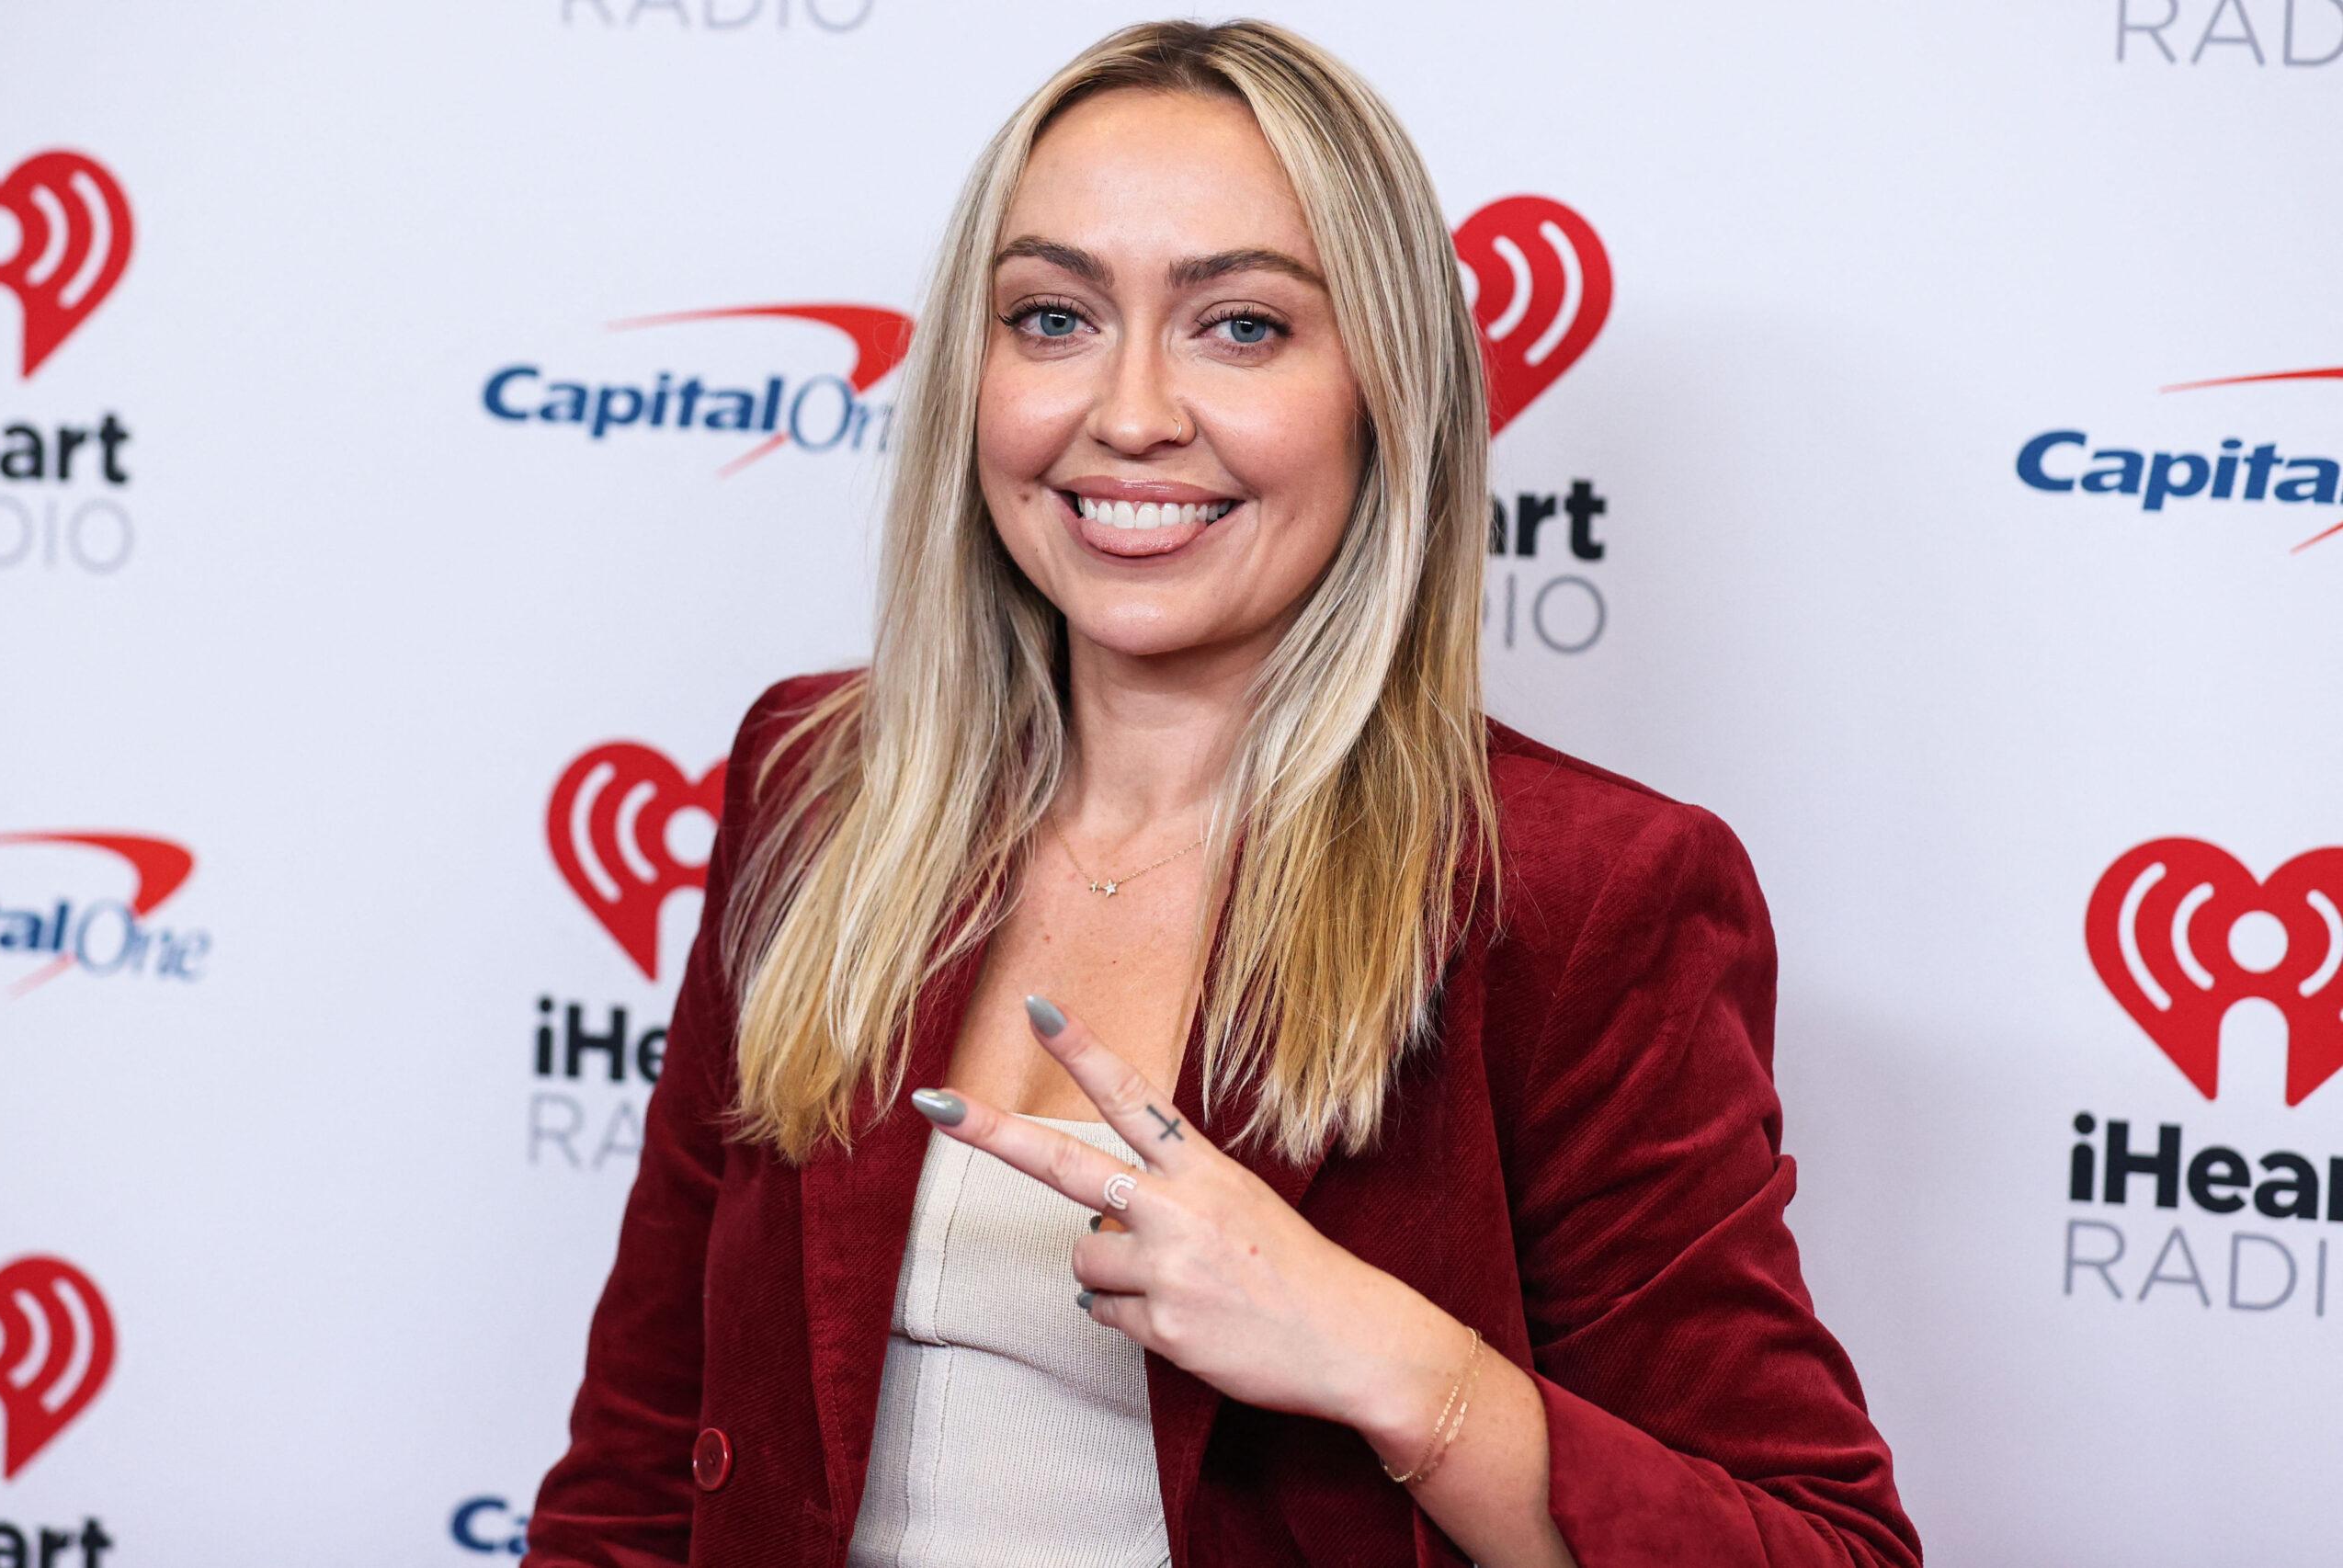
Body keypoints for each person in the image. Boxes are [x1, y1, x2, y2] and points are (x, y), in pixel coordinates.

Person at [523, 18, 1921, 1568]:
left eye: (1240, 327)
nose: (1128, 413)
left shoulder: (1584, 894)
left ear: (1383, 390)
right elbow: (638, 1478)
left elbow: (1826, 1548)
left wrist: (1394, 1361)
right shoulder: (820, 790)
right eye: (1051, 317)